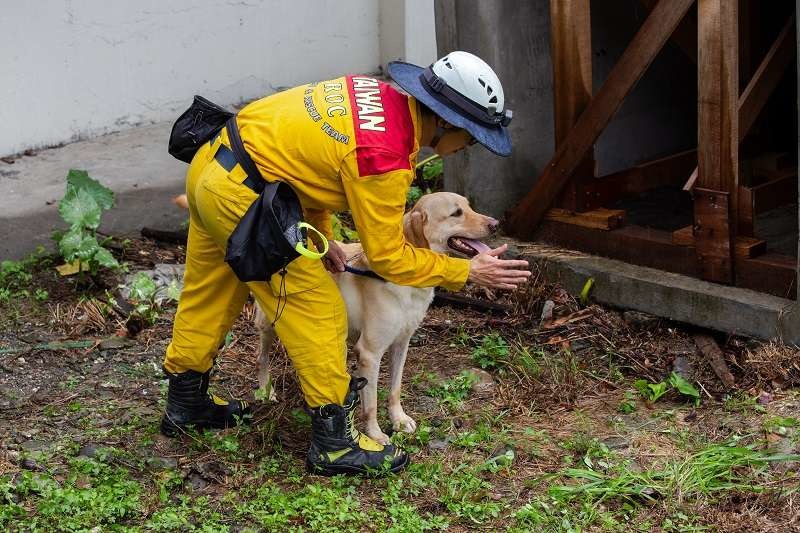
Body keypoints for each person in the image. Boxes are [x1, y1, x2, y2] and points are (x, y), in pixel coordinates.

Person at [159, 51, 531, 476]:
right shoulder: (385, 155)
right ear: (447, 121)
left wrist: (326, 236)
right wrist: (466, 271)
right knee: (316, 310)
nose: (464, 148)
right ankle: (334, 443)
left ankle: (185, 402)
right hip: (246, 198)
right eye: (470, 137)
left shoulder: (374, 95)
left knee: (210, 291)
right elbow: (389, 257)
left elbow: (309, 168)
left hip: (212, 164)